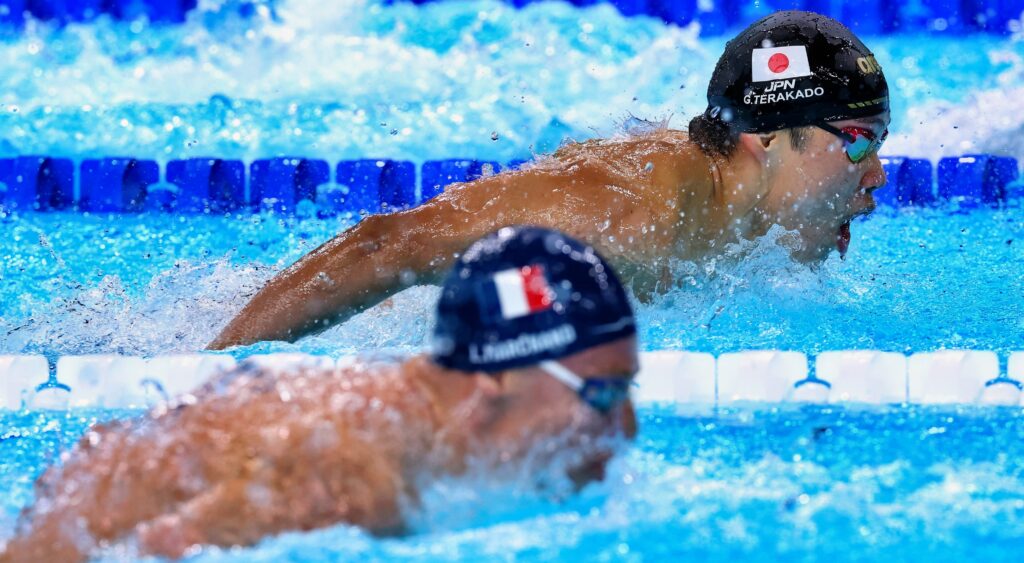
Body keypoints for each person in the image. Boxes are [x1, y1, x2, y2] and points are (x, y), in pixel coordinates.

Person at [208, 9, 890, 351]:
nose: (879, 177)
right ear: (765, 137)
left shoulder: (728, 218)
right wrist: (202, 376)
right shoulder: (630, 221)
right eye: (858, 144)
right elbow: (384, 246)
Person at [0, 227, 639, 562]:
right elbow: (165, 549)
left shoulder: (415, 432)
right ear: (498, 376)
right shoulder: (347, 478)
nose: (628, 425)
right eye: (605, 394)